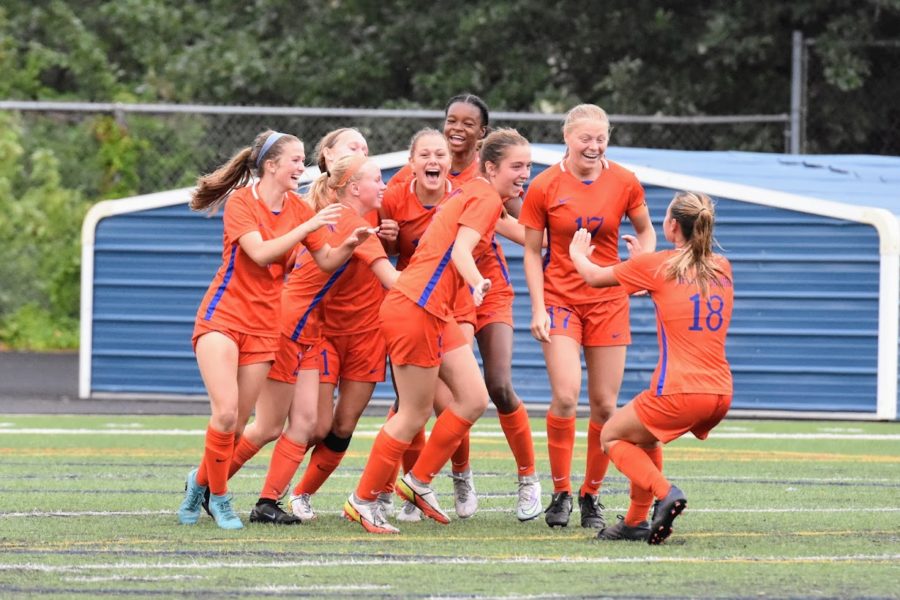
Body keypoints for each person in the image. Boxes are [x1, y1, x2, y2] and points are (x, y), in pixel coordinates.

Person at [176, 130, 373, 530]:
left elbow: (326, 260)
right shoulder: (242, 203)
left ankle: (198, 487)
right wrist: (310, 224)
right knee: (227, 413)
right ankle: (222, 501)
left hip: (265, 328)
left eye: (303, 160)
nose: (303, 167)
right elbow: (262, 252)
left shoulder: (300, 210)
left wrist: (351, 243)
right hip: (222, 317)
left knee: (247, 424)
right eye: (296, 161)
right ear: (271, 165)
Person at [344, 129, 532, 534]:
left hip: (433, 310)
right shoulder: (482, 196)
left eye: (529, 166)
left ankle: (418, 481)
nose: (525, 174)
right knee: (412, 412)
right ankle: (363, 500)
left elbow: (533, 236)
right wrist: (478, 282)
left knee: (473, 398)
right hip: (415, 307)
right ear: (491, 167)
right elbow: (462, 251)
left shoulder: (481, 194)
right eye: (518, 166)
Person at [384, 95, 542, 523]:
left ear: (483, 134)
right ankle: (436, 480)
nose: (457, 129)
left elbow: (523, 228)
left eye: (468, 123)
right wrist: (385, 236)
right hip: (434, 294)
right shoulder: (409, 177)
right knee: (432, 399)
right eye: (451, 120)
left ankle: (528, 479)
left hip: (481, 291)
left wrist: (566, 246)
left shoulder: (493, 175)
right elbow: (389, 234)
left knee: (494, 385)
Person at [568, 191, 733, 544]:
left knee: (611, 435)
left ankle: (666, 492)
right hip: (720, 392)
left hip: (681, 388)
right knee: (643, 434)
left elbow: (595, 278)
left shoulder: (657, 265)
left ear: (673, 226)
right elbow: (679, 287)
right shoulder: (722, 265)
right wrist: (646, 271)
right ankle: (634, 521)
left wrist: (576, 254)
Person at [239, 154, 396, 525]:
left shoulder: (341, 219)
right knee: (268, 426)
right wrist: (446, 278)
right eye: (377, 178)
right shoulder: (346, 219)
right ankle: (204, 486)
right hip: (292, 326)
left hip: (308, 329)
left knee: (311, 423)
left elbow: (317, 261)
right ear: (353, 186)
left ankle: (266, 502)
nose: (385, 184)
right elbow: (392, 279)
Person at [519, 104, 657, 529]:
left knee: (603, 403)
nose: (593, 146)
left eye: (600, 139)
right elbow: (530, 251)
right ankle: (560, 491)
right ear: (567, 138)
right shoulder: (544, 185)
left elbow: (648, 231)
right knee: (565, 394)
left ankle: (589, 495)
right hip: (561, 299)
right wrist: (538, 307)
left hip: (608, 299)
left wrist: (642, 258)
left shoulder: (625, 182)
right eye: (586, 138)